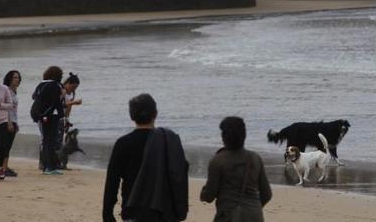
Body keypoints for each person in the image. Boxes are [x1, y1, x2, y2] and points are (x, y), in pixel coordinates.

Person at [103, 94, 189, 222]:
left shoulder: (123, 143)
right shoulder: (169, 141)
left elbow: (112, 181)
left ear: (132, 116)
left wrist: (108, 214)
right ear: (155, 114)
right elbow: (180, 175)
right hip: (165, 211)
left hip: (133, 209)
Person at [201, 117, 272, 222]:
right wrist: (252, 207)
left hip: (228, 216)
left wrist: (203, 193)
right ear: (244, 135)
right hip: (254, 216)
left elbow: (209, 196)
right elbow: (267, 194)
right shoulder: (255, 158)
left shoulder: (218, 161)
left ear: (224, 137)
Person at [32, 65, 65, 175]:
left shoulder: (41, 84)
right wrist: (62, 115)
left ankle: (47, 166)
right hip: (51, 116)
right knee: (51, 141)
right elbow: (56, 102)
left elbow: (34, 97)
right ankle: (50, 167)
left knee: (46, 141)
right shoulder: (55, 85)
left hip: (41, 116)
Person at [2, 70, 21, 177]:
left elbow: (14, 110)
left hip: (13, 120)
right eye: (14, 77)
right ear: (9, 79)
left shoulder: (13, 92)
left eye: (18, 78)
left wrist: (16, 123)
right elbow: (6, 109)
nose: (17, 80)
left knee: (8, 145)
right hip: (6, 121)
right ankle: (3, 168)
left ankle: (5, 166)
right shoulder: (6, 91)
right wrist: (9, 122)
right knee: (5, 145)